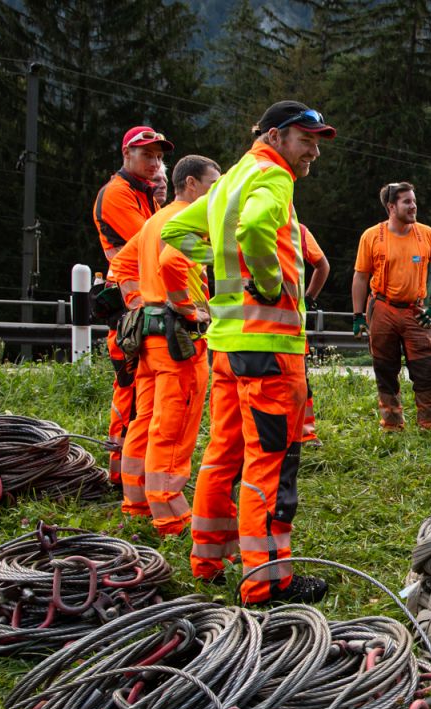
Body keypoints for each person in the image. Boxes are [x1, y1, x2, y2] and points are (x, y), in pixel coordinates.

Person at [162, 101, 335, 605]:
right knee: (271, 462)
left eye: (317, 143)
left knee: (222, 454)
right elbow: (257, 228)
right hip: (269, 349)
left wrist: (224, 263)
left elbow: (174, 232)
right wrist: (266, 279)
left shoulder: (228, 181)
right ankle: (267, 581)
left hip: (226, 346)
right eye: (306, 141)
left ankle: (208, 559)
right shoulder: (274, 177)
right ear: (276, 137)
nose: (313, 153)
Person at [119, 155, 222, 535]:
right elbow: (172, 263)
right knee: (173, 428)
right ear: (191, 184)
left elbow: (122, 264)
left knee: (144, 421)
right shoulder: (190, 221)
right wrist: (188, 310)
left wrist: (141, 303)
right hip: (178, 340)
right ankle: (171, 516)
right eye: (213, 186)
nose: (217, 195)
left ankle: (136, 503)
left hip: (148, 336)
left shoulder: (152, 222)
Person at [93, 125, 173, 483]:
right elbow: (154, 240)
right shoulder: (116, 193)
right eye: (147, 155)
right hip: (128, 304)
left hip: (142, 301)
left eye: (158, 156)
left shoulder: (145, 193)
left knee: (143, 391)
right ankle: (121, 476)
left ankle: (133, 474)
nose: (154, 162)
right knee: (130, 388)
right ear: (127, 154)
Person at [350, 182, 431, 431]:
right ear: (391, 207)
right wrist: (357, 316)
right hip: (382, 308)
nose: (413, 206)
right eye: (407, 201)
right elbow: (360, 277)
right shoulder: (371, 236)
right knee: (385, 369)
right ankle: (391, 424)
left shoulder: (426, 234)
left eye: (414, 201)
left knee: (426, 369)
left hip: (415, 311)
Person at [299, 223, 330, 444]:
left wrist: (308, 299)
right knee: (299, 383)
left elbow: (322, 265)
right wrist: (308, 299)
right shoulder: (297, 229)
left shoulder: (297, 230)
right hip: (289, 325)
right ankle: (305, 434)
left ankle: (306, 433)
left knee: (300, 384)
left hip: (287, 326)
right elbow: (323, 265)